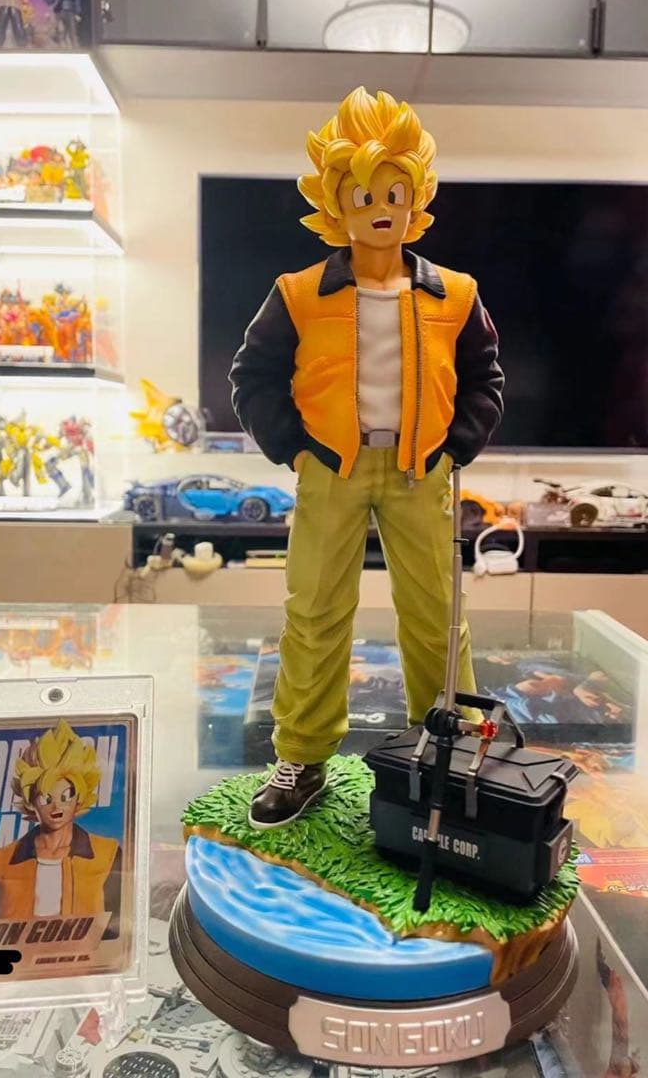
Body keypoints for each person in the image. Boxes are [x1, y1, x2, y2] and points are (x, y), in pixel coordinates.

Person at [229, 86, 504, 829]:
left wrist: (456, 447)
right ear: (335, 204)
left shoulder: (456, 294)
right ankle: (304, 754)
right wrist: (297, 450)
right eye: (363, 194)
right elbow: (252, 375)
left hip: (421, 472)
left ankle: (448, 747)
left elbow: (485, 377)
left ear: (416, 199)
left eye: (394, 192)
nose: (380, 208)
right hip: (333, 471)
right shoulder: (297, 294)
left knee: (438, 614)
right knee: (314, 611)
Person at [0, 719, 121, 938]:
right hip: (15, 959)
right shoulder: (0, 862)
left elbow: (125, 927)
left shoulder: (107, 854)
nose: (57, 806)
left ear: (79, 799)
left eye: (66, 796)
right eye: (45, 798)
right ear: (31, 803)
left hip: (87, 959)